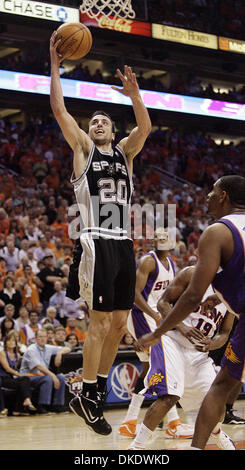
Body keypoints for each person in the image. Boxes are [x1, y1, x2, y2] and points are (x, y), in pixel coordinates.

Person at [50, 30, 151, 435]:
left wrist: (135, 97)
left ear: (113, 130)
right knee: (100, 322)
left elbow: (143, 128)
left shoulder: (126, 154)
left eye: (104, 121)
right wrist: (55, 67)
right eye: (93, 121)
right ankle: (87, 390)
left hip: (123, 241)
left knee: (120, 320)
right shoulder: (82, 150)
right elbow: (59, 110)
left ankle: (92, 392)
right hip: (94, 238)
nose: (97, 124)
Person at [139, 175, 245, 450]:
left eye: (213, 191)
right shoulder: (191, 272)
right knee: (197, 393)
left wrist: (156, 332)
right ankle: (141, 447)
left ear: (223, 196)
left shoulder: (218, 231)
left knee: (218, 391)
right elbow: (170, 301)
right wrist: (214, 300)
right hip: (179, 342)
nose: (208, 195)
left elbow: (192, 298)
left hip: (199, 347)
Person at [129, 264, 235, 450]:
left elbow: (225, 333)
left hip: (199, 353)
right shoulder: (192, 273)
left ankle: (217, 433)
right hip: (172, 341)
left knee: (217, 404)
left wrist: (212, 343)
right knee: (169, 396)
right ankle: (137, 447)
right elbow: (162, 303)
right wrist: (182, 327)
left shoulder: (230, 294)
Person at [119, 228, 193, 440]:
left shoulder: (171, 265)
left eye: (164, 238)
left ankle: (129, 421)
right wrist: (154, 314)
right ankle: (173, 424)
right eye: (157, 238)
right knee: (164, 364)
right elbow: (134, 294)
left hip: (155, 317)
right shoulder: (148, 262)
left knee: (149, 367)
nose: (160, 241)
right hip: (141, 315)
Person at [20, 328, 70, 414]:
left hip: (42, 376)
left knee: (61, 377)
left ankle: (57, 406)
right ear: (35, 338)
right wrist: (53, 375)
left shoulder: (48, 347)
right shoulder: (31, 349)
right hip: (28, 377)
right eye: (40, 337)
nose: (43, 339)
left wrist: (59, 354)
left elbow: (68, 348)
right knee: (48, 378)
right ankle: (42, 406)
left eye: (44, 336)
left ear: (47, 338)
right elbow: (39, 367)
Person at [0, 331, 36, 415]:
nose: (11, 342)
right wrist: (19, 375)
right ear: (5, 342)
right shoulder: (2, 353)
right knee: (23, 380)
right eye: (9, 340)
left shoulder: (18, 355)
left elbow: (15, 368)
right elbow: (8, 369)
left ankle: (18, 409)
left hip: (11, 378)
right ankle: (26, 402)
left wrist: (20, 375)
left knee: (25, 381)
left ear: (16, 343)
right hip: (3, 378)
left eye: (13, 341)